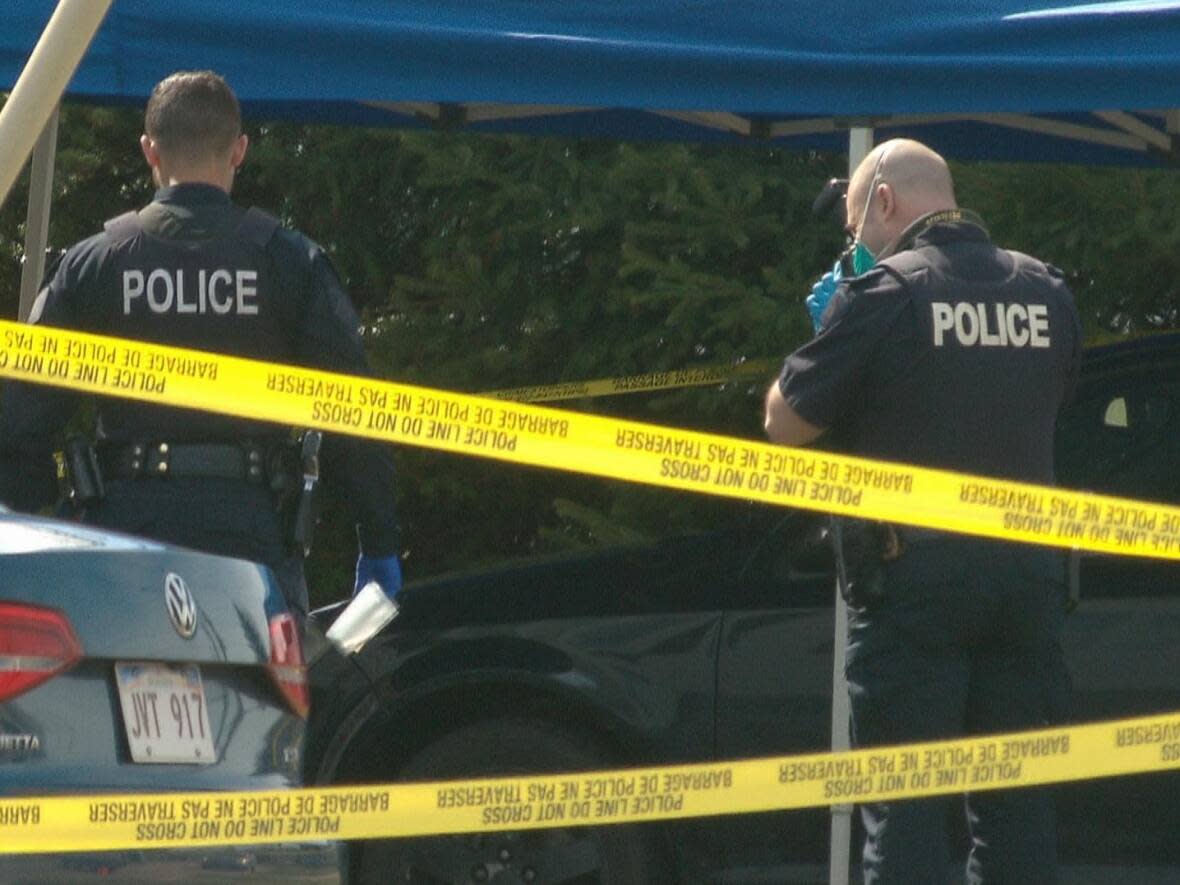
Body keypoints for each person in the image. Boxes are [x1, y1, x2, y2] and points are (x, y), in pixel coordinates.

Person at [764, 139, 1082, 884]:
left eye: (853, 229)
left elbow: (786, 422)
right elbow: (1055, 396)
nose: (855, 247)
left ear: (884, 202)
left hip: (916, 586)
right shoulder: (1048, 292)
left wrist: (833, 321)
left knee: (904, 809)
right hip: (1028, 584)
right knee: (1017, 812)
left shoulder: (884, 294)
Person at [0, 70, 402, 618]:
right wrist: (378, 541)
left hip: (127, 536)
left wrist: (28, 511)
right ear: (239, 151)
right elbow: (354, 411)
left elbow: (22, 413)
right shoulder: (288, 261)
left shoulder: (95, 263)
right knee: (260, 701)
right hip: (252, 540)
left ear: (149, 151)